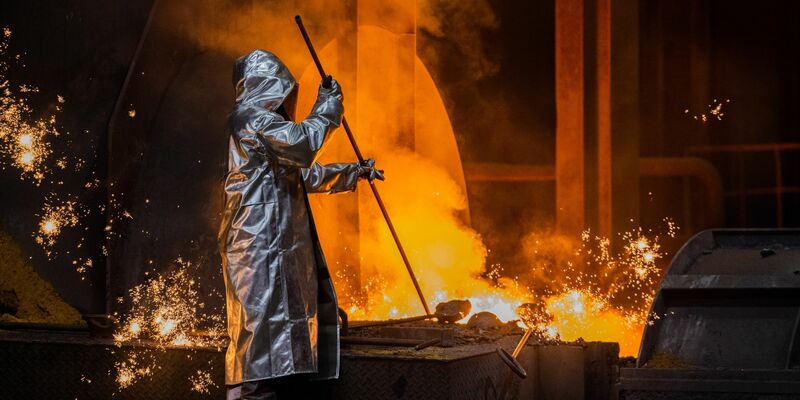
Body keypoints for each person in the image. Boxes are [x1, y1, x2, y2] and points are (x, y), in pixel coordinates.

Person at [218, 49, 383, 400]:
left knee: (276, 349)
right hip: (257, 248)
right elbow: (305, 144)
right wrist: (329, 107)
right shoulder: (250, 119)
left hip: (272, 248)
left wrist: (354, 172)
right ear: (267, 87)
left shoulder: (264, 131)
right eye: (282, 90)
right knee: (258, 347)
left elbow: (306, 174)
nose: (286, 99)